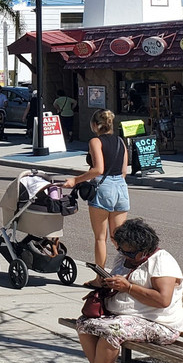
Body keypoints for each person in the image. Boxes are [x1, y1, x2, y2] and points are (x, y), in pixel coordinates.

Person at [65, 218, 183, 363]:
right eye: (120, 249)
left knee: (111, 332)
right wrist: (107, 284)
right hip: (123, 317)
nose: (123, 254)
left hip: (157, 322)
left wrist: (128, 287)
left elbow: (163, 300)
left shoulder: (162, 261)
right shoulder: (124, 257)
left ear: (144, 249)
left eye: (129, 252)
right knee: (84, 324)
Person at [63, 108, 129, 268]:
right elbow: (124, 171)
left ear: (94, 125)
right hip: (121, 188)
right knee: (119, 238)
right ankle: (125, 273)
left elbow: (98, 169)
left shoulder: (95, 142)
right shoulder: (121, 141)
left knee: (101, 238)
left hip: (103, 188)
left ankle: (100, 279)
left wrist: (75, 180)